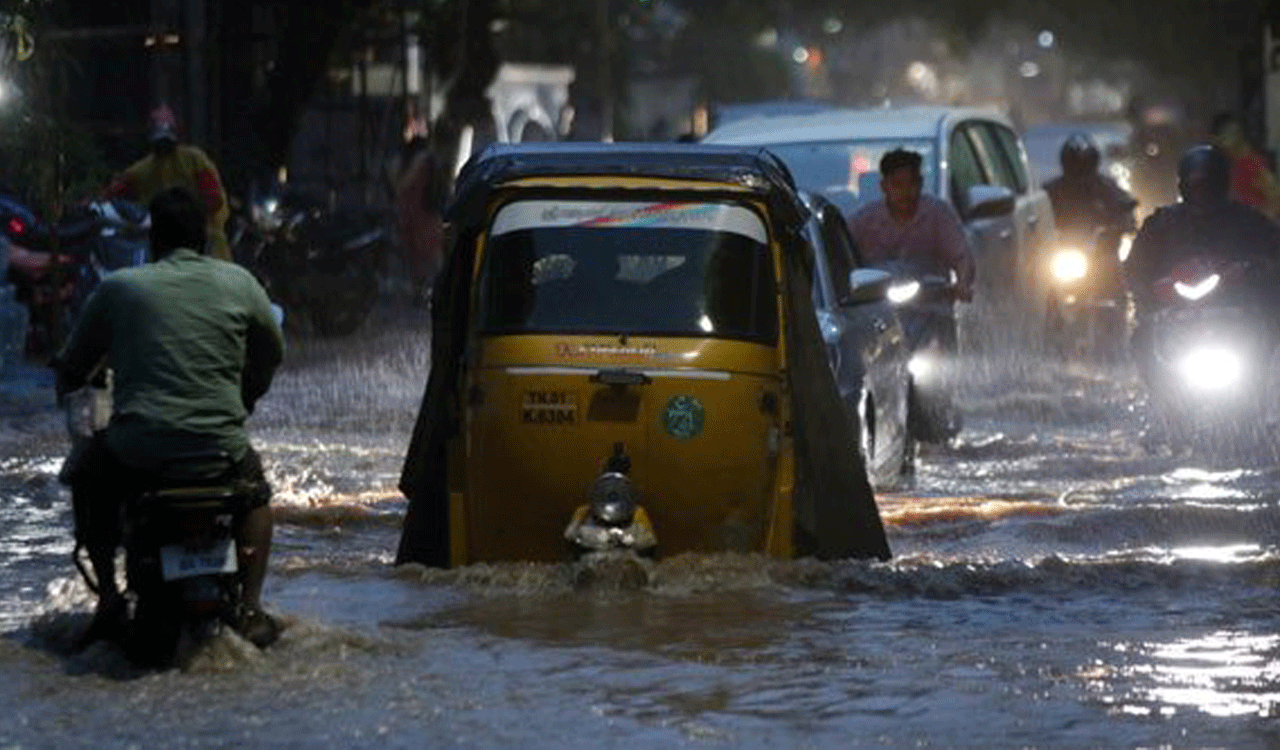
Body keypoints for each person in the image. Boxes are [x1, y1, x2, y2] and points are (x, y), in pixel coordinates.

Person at [53, 187, 285, 648]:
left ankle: (109, 600)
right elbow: (272, 351)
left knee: (85, 476)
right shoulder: (240, 283)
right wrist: (246, 396)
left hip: (138, 454)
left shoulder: (119, 288)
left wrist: (71, 389)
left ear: (153, 239)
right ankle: (253, 607)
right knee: (256, 494)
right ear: (203, 238)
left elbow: (73, 364)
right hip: (219, 452)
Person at [1123, 145, 1280, 443]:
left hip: (1238, 320)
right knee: (1143, 339)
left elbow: (1275, 257)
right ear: (1183, 185)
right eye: (1195, 186)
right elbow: (1134, 270)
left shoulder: (1249, 223)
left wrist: (1250, 270)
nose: (1202, 193)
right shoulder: (1162, 225)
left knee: (1266, 334)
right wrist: (1153, 289)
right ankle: (1168, 412)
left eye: (1208, 186)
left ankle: (1254, 404)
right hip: (1175, 321)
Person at [847, 147, 976, 307]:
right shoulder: (863, 221)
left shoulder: (938, 214)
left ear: (921, 184)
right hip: (879, 312)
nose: (905, 192)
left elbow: (961, 256)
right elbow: (840, 257)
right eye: (897, 185)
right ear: (884, 187)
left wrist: (962, 284)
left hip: (932, 309)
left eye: (911, 184)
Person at [106, 105, 233, 260]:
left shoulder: (194, 160)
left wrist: (192, 220)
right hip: (160, 244)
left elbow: (214, 200)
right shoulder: (141, 170)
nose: (163, 146)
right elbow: (112, 196)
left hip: (203, 242)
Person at [1044, 133, 1137, 244]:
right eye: (1074, 163)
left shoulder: (1108, 188)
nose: (1079, 168)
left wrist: (1125, 222)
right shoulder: (1052, 190)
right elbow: (1038, 214)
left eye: (1084, 163)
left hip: (1104, 250)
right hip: (1065, 249)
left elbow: (1126, 206)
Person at [394, 136, 447, 304]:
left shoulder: (417, 161)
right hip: (426, 212)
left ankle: (424, 290)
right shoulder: (428, 160)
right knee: (431, 255)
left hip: (418, 213)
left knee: (418, 256)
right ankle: (435, 290)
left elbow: (403, 186)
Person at [1209, 111, 1280, 218]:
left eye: (1234, 133)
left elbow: (1276, 201)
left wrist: (1257, 220)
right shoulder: (1222, 167)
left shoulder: (1253, 164)